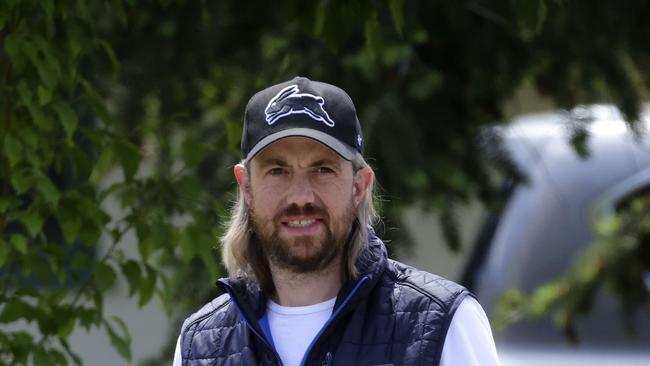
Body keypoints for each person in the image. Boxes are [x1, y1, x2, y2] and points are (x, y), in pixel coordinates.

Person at [173, 76, 500, 366]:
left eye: (322, 169)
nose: (300, 196)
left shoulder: (442, 325)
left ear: (360, 185)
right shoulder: (201, 346)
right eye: (277, 170)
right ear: (246, 186)